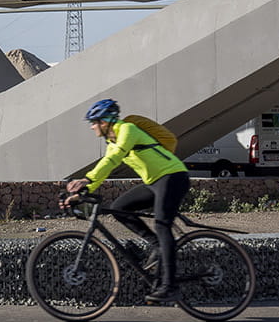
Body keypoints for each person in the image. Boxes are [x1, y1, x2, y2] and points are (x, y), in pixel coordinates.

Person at [62, 98, 190, 303]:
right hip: (154, 181)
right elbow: (105, 166)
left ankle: (170, 286)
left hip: (173, 176)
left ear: (105, 122)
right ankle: (156, 246)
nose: (92, 127)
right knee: (118, 208)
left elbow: (112, 161)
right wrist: (83, 190)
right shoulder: (111, 141)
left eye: (94, 122)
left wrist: (86, 179)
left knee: (162, 225)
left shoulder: (127, 130)